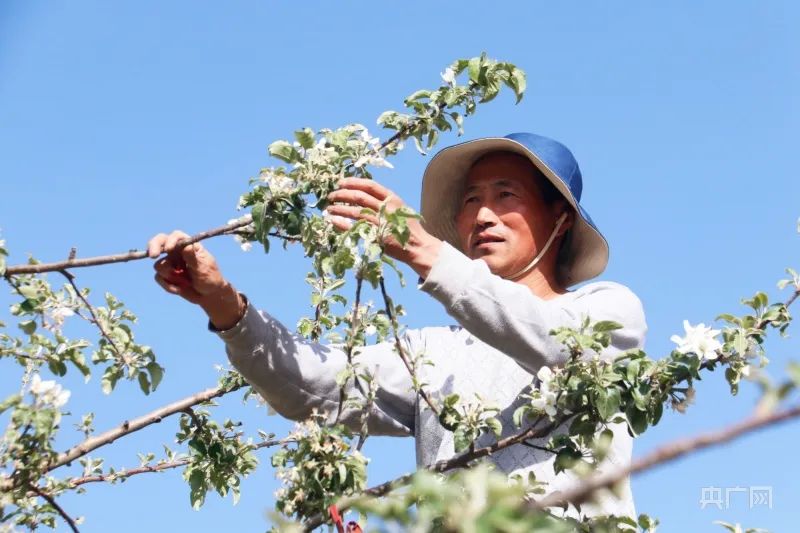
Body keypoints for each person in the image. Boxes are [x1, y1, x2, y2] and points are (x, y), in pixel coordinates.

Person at [147, 132, 647, 520]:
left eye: (505, 194)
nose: (483, 214)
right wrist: (225, 306)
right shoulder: (434, 352)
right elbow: (316, 387)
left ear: (559, 218)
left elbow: (553, 340)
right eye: (471, 200)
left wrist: (426, 252)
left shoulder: (608, 311)